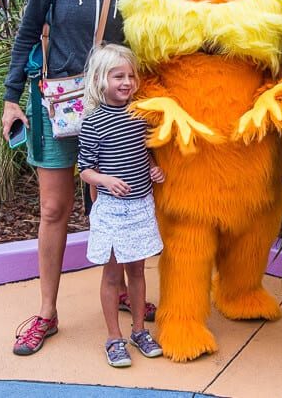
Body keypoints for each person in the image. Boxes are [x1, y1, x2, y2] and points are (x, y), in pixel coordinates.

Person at [2, 0, 148, 356]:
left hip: (115, 108)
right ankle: (46, 312)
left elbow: (153, 43)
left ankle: (124, 292)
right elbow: (27, 34)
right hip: (59, 103)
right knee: (54, 208)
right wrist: (10, 97)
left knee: (118, 201)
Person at [77, 44, 165, 367]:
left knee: (138, 270)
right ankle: (114, 338)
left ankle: (139, 330)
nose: (126, 82)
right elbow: (84, 168)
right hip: (113, 210)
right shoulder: (93, 123)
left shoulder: (139, 114)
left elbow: (146, 151)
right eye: (118, 76)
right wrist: (105, 181)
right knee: (113, 275)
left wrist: (154, 167)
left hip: (141, 204)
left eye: (130, 76)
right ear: (101, 80)